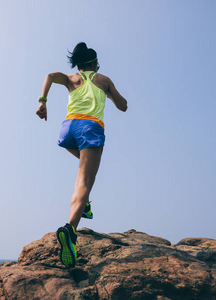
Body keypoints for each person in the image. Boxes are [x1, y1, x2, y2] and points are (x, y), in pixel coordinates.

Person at [36, 42, 127, 268]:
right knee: (85, 180)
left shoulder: (71, 79)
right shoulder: (103, 80)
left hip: (68, 129)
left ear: (79, 64)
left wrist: (43, 102)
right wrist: (111, 94)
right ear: (95, 63)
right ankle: (70, 230)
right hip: (90, 127)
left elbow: (49, 75)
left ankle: (84, 205)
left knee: (85, 170)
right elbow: (123, 106)